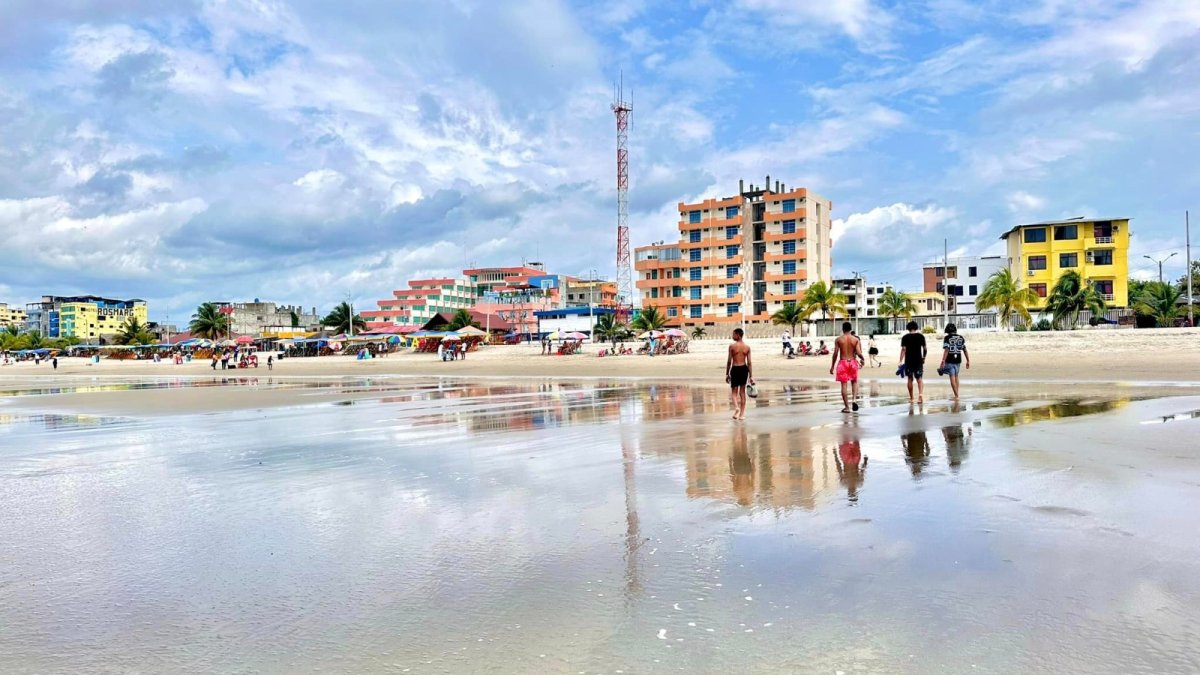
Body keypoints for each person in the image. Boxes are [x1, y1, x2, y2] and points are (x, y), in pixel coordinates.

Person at [829, 321, 863, 413]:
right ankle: (854, 400)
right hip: (852, 362)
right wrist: (862, 359)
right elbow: (859, 353)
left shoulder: (838, 339)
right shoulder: (856, 340)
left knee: (844, 385)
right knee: (854, 382)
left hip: (843, 363)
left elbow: (835, 354)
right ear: (850, 329)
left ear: (843, 329)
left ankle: (847, 407)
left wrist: (832, 366)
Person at [725, 328, 754, 420]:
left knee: (734, 392)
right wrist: (751, 376)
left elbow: (729, 361)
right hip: (744, 369)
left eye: (733, 334)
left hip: (735, 369)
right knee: (742, 392)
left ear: (738, 335)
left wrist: (727, 373)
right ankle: (741, 415)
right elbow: (749, 362)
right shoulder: (747, 347)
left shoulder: (732, 346)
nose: (732, 336)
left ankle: (737, 408)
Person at [898, 321, 927, 403]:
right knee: (919, 379)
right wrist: (924, 357)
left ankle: (911, 398)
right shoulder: (921, 336)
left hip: (909, 361)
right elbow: (925, 349)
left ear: (908, 328)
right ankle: (920, 394)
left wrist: (900, 360)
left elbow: (903, 349)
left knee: (910, 379)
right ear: (916, 327)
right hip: (918, 360)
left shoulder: (905, 337)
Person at [939, 323, 970, 399]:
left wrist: (943, 360)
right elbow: (964, 349)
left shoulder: (947, 338)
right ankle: (956, 393)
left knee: (952, 377)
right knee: (956, 376)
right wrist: (968, 360)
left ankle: (956, 396)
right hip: (958, 360)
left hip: (949, 360)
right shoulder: (961, 338)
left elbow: (946, 349)